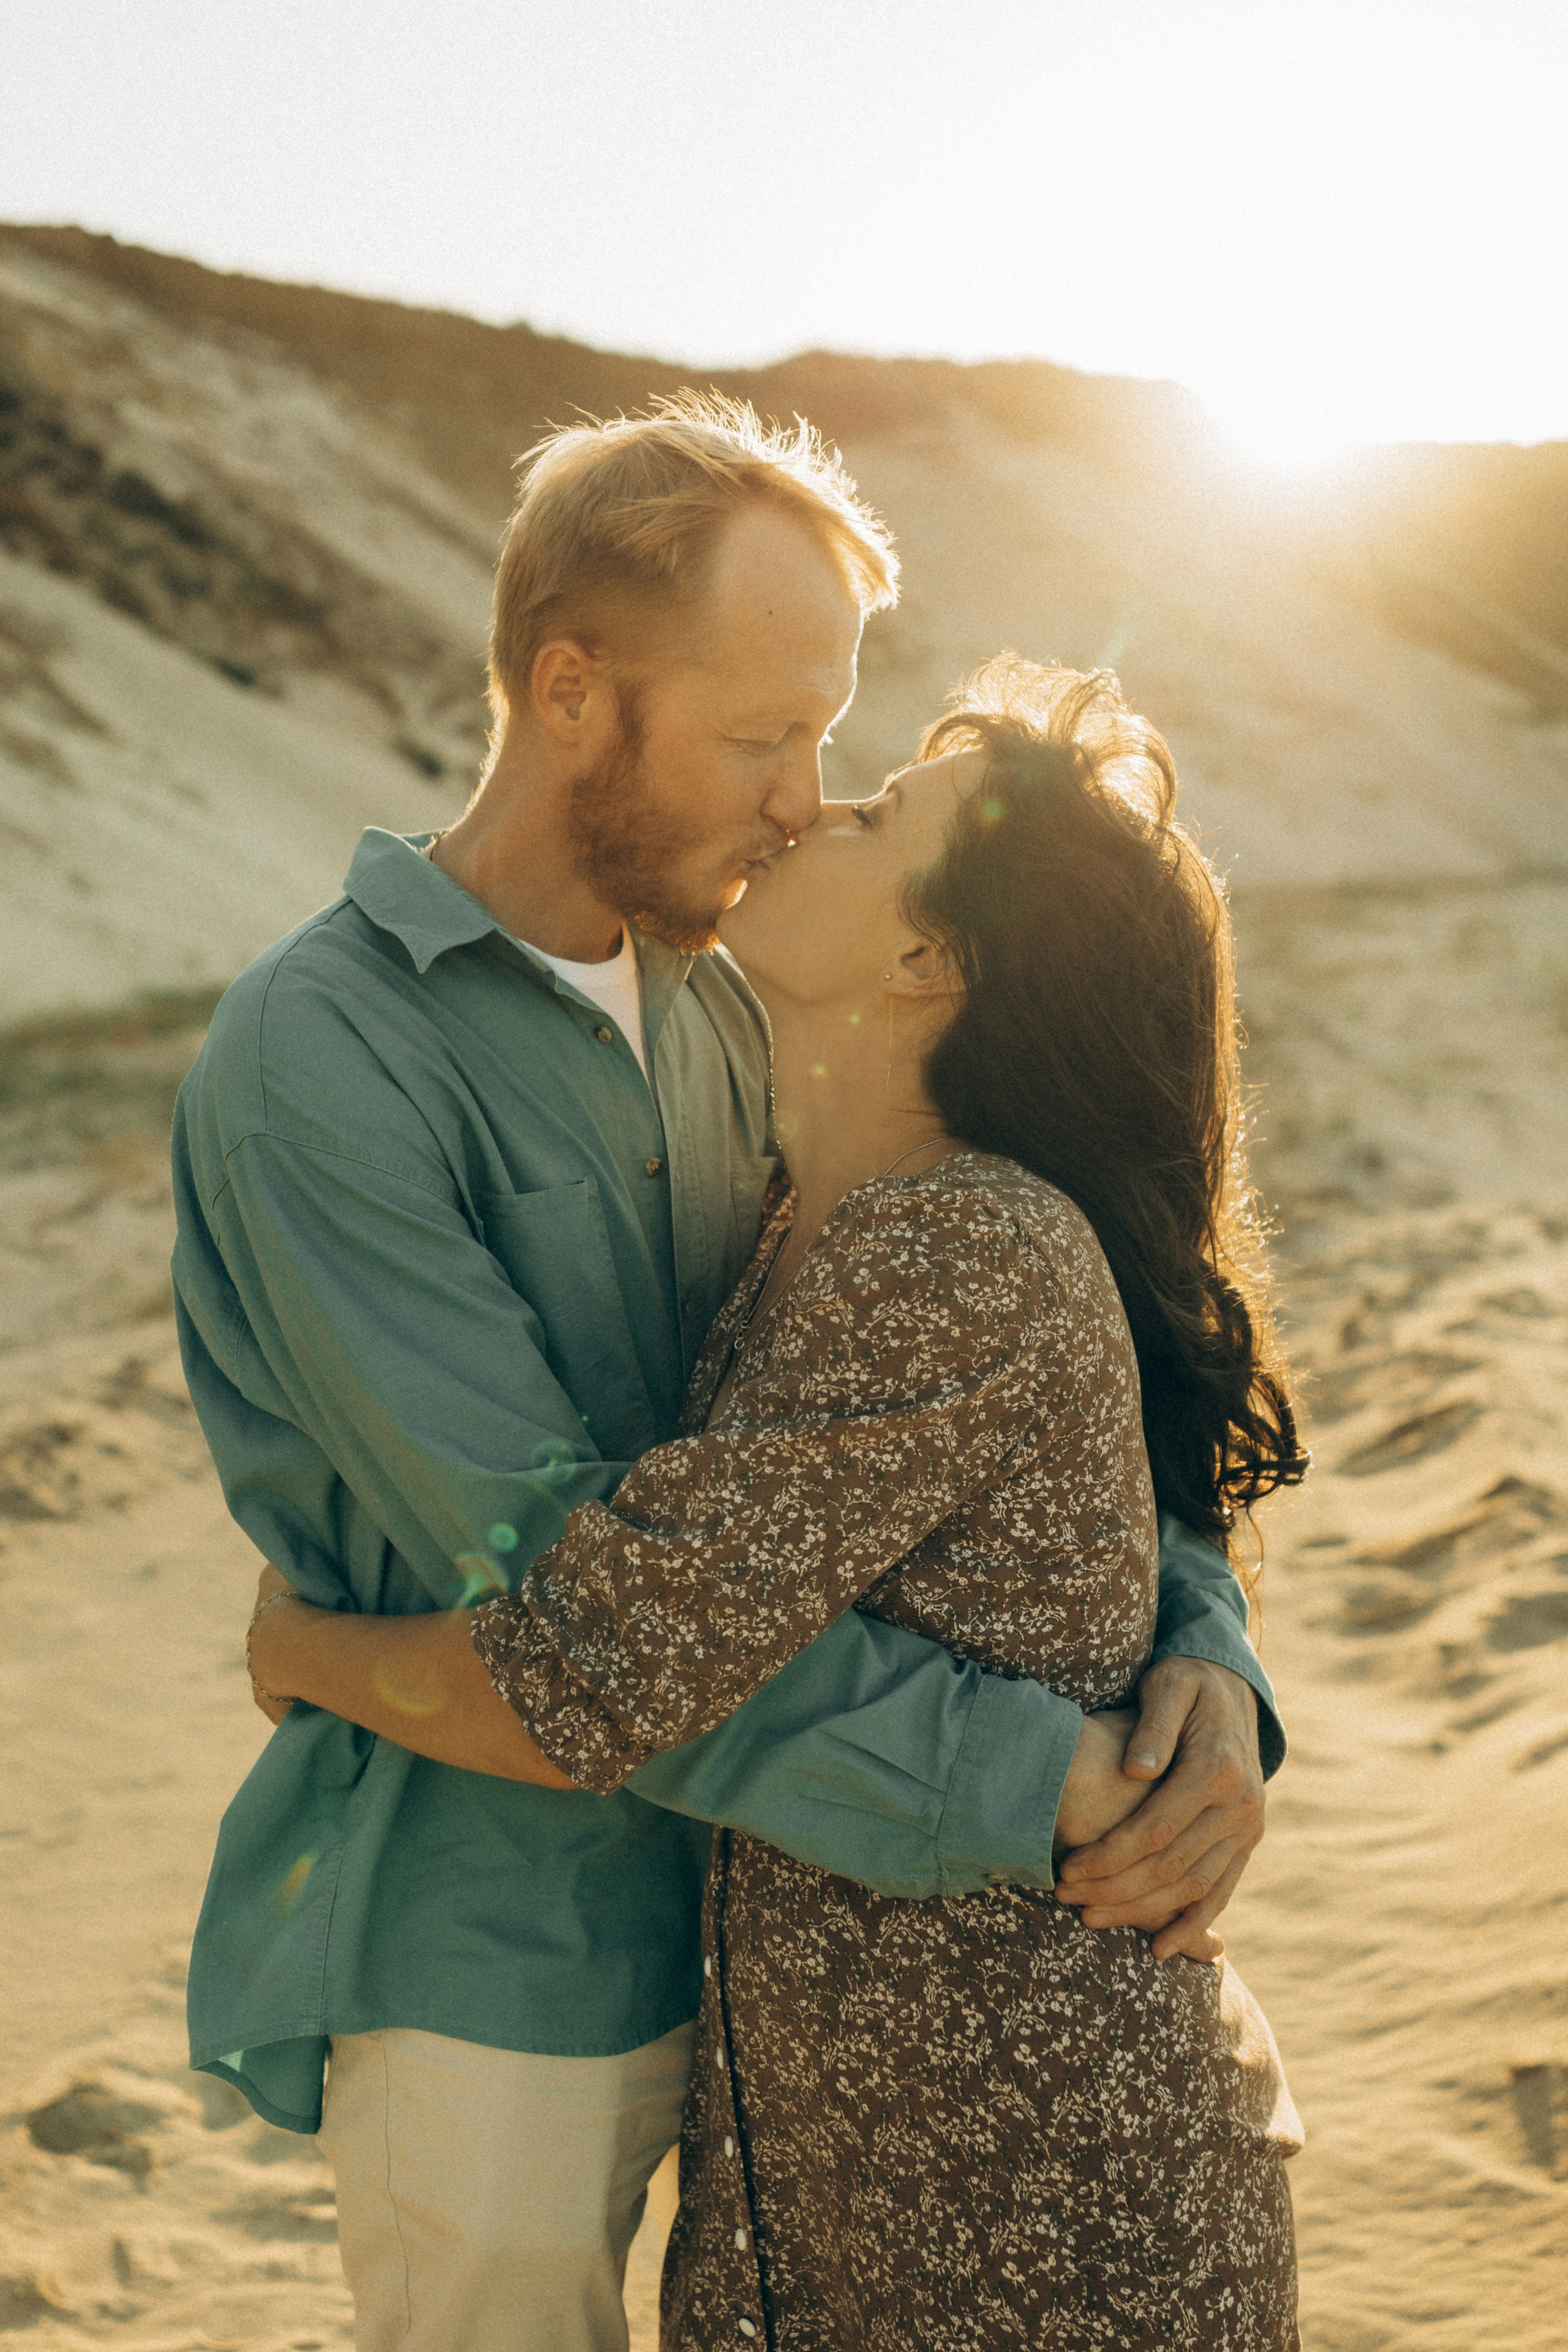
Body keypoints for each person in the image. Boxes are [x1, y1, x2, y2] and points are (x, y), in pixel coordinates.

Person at [179, 399, 1284, 2352]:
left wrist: (1203, 1661)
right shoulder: (323, 1059)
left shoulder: (758, 1007)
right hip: (499, 1962)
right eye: (765, 739)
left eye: (831, 745)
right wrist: (1041, 1781)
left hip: (806, 1987)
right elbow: (575, 1603)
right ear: (574, 690)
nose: (802, 799)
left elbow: (1030, 1391)